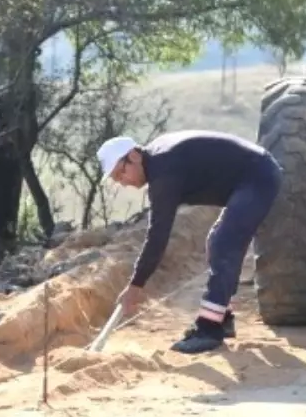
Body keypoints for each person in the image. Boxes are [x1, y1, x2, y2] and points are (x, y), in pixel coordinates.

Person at [96, 130, 284, 354]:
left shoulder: (163, 171)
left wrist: (135, 285)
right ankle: (222, 317)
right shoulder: (158, 159)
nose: (123, 182)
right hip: (252, 175)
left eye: (121, 173)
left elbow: (157, 236)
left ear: (134, 155)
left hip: (258, 176)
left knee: (224, 243)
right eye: (117, 180)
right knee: (217, 242)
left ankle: (209, 328)